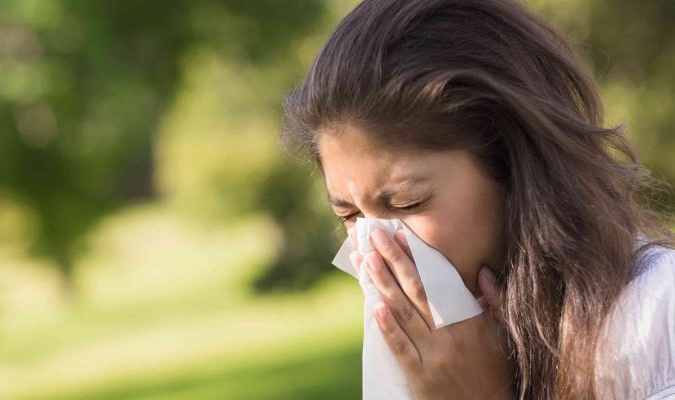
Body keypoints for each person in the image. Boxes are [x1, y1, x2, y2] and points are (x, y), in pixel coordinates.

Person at [279, 0, 675, 398]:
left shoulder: (655, 320)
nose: (375, 253)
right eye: (348, 214)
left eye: (406, 203)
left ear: (513, 168)